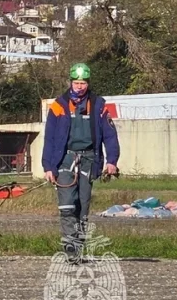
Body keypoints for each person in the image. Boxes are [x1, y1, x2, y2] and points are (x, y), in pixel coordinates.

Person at [42, 62, 120, 263]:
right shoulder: (58, 105)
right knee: (67, 205)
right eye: (76, 82)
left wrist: (111, 161)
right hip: (65, 160)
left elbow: (110, 136)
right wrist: (48, 167)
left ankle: (78, 247)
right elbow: (49, 138)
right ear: (70, 82)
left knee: (82, 208)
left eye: (83, 82)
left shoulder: (99, 105)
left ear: (88, 83)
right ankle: (71, 249)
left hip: (89, 160)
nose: (79, 86)